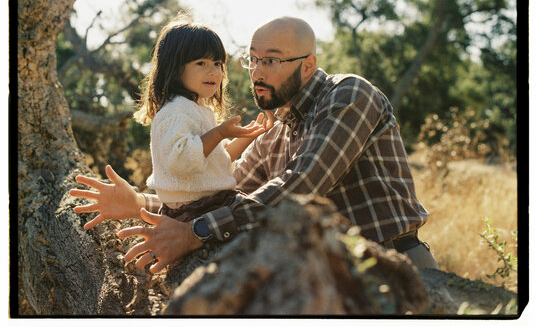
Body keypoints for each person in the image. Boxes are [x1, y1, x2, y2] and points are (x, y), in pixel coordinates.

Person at [71, 16, 438, 273]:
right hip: (325, 276)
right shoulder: (274, 129)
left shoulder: (347, 96)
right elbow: (220, 193)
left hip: (393, 265)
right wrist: (139, 203)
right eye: (253, 60)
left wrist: (197, 233)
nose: (258, 72)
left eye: (272, 60)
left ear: (308, 66)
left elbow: (301, 185)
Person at [70, 15, 273, 272]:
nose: (214, 71)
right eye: (201, 63)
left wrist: (248, 137)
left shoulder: (196, 109)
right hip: (199, 211)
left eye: (218, 63)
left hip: (206, 206)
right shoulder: (176, 112)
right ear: (176, 67)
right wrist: (220, 132)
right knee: (267, 215)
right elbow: (183, 162)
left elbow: (215, 161)